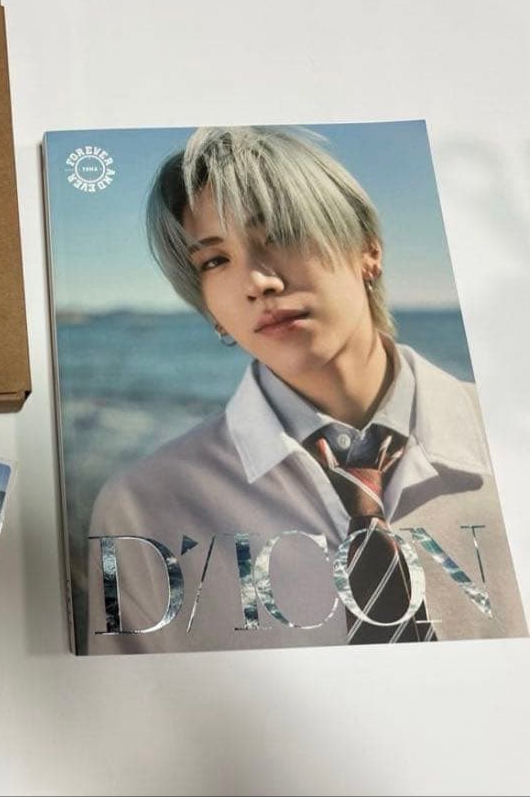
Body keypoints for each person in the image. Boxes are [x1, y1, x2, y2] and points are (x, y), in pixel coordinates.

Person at [87, 125, 527, 654]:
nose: (258, 281)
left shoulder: (511, 435)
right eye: (215, 260)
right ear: (209, 308)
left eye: (278, 233)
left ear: (368, 249)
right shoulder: (144, 508)